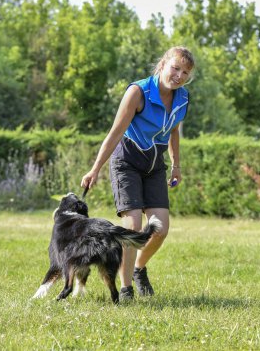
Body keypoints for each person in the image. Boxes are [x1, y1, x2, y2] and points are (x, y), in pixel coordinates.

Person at [81, 46, 195, 301]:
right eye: (175, 68)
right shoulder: (138, 92)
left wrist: (176, 164)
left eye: (185, 73)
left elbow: (174, 130)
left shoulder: (182, 98)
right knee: (132, 226)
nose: (179, 75)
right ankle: (125, 289)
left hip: (155, 165)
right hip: (127, 162)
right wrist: (95, 168)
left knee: (160, 229)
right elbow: (115, 133)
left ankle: (138, 269)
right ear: (163, 64)